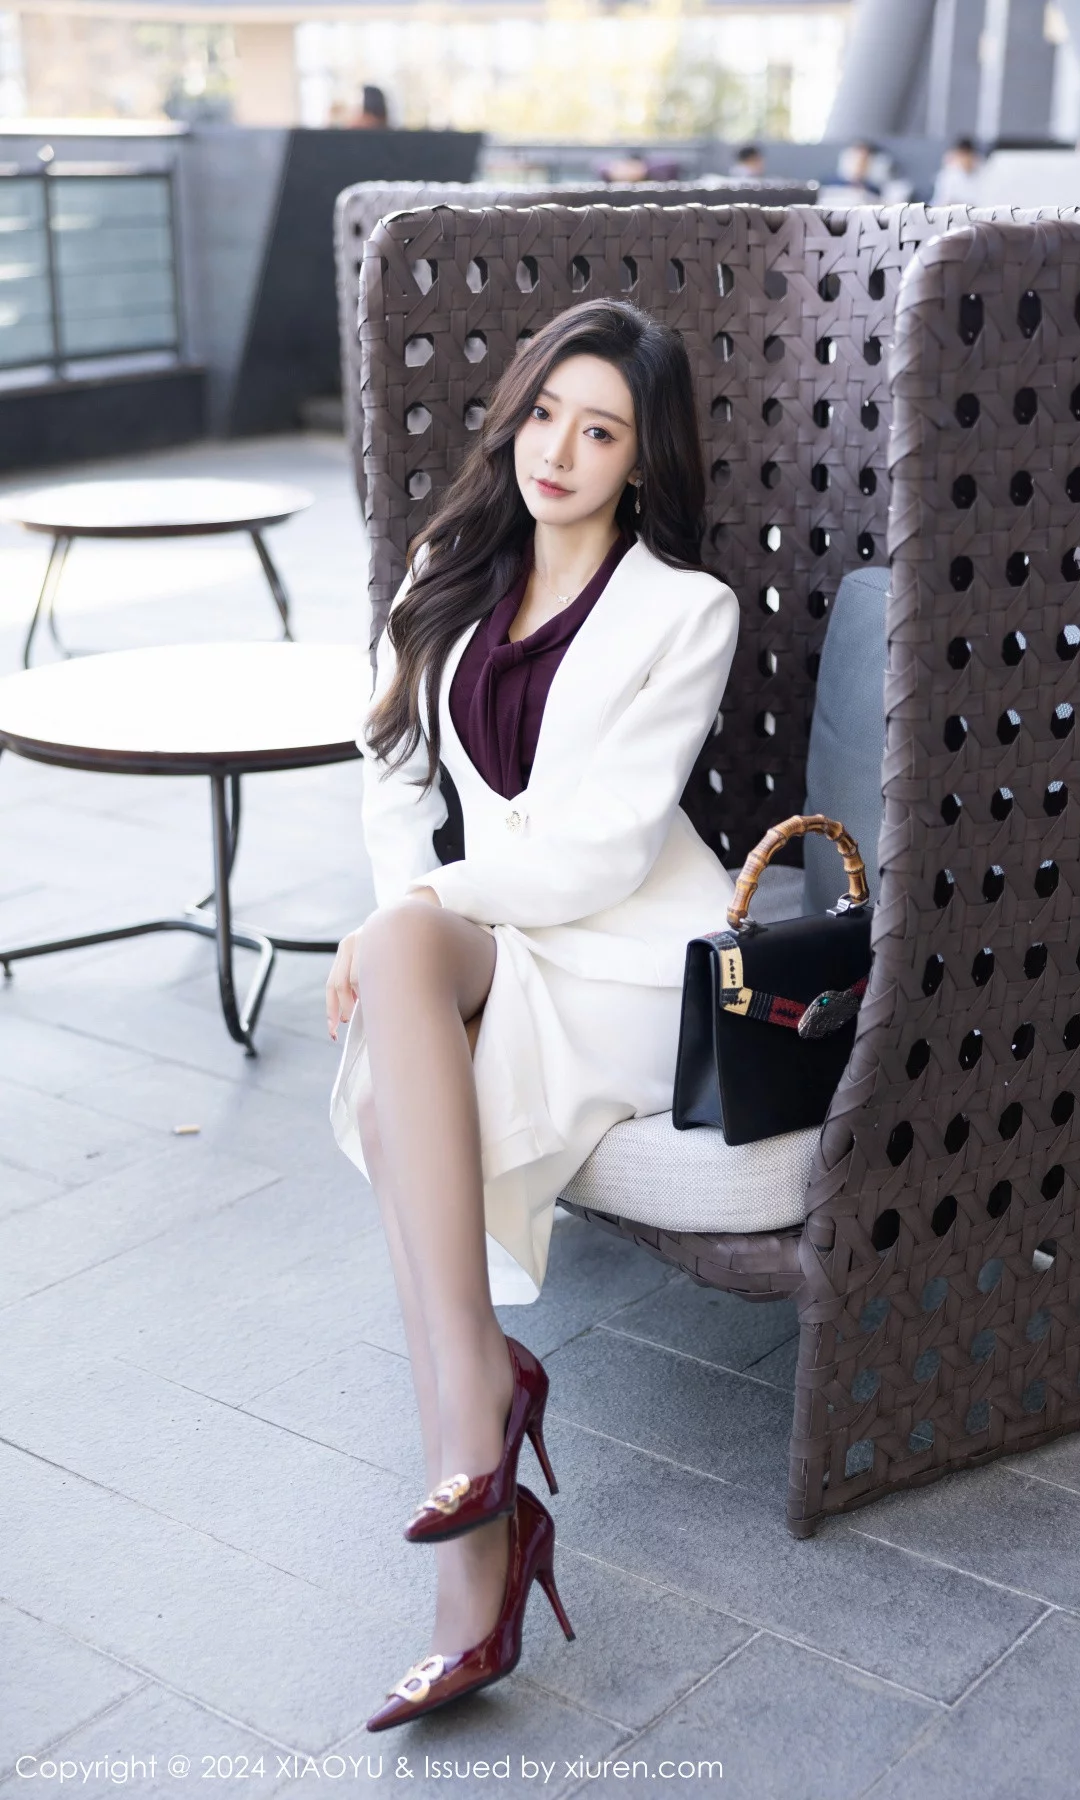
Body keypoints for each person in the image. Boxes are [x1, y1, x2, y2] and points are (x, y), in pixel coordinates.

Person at [325, 298, 739, 1728]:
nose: (559, 450)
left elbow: (608, 847)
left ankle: (477, 1465)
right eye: (546, 413)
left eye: (601, 430)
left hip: (630, 956)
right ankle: (478, 1437)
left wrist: (421, 914)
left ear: (641, 460)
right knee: (399, 988)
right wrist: (412, 909)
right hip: (505, 937)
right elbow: (391, 774)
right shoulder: (448, 567)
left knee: (398, 1043)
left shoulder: (686, 610)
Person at [932, 135, 984, 206]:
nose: (965, 159)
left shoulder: (982, 173)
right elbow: (942, 201)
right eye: (962, 155)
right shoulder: (947, 175)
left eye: (968, 154)